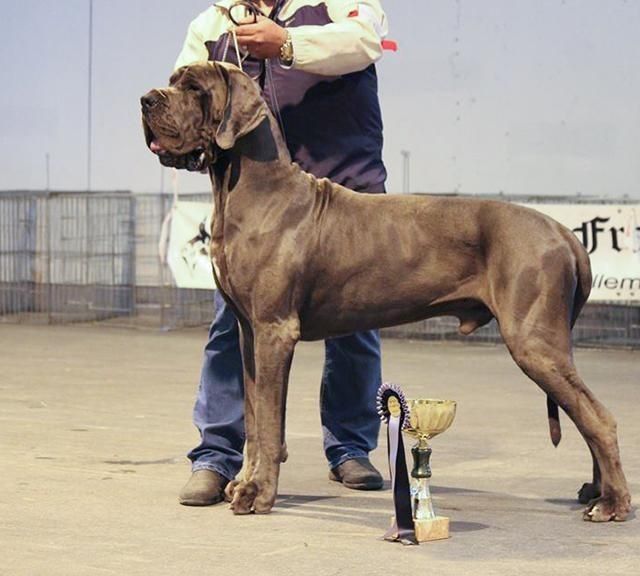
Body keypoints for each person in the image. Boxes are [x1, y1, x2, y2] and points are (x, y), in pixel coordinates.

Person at [175, 0, 391, 506]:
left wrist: (288, 44)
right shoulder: (211, 23)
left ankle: (349, 447)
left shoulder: (332, 3)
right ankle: (218, 455)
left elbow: (366, 41)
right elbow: (185, 94)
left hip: (345, 183)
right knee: (231, 327)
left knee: (357, 327)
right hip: (257, 202)